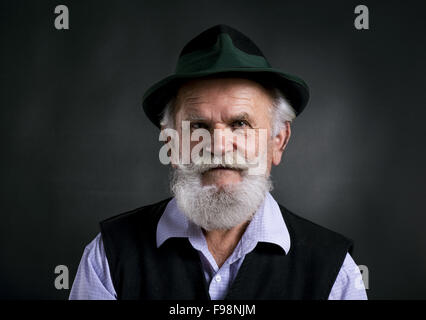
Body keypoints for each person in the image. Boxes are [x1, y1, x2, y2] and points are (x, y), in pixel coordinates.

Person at [69, 24, 367, 300]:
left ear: (278, 141)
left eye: (240, 123)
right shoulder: (108, 258)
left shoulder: (334, 272)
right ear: (171, 142)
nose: (219, 146)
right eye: (198, 126)